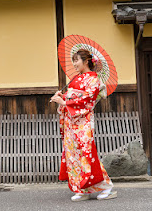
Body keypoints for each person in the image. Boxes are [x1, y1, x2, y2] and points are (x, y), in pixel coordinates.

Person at [50, 49, 116, 202]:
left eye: (76, 60)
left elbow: (87, 100)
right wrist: (62, 96)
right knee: (72, 154)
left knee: (87, 154)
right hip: (70, 121)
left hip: (83, 121)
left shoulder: (94, 79)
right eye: (73, 61)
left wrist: (65, 102)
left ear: (86, 61)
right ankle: (82, 188)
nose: (74, 64)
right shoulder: (76, 79)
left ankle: (106, 187)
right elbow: (72, 96)